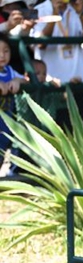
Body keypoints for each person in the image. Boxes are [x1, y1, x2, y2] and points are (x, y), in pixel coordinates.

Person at [33, 0, 83, 84]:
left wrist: (80, 13)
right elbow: (41, 44)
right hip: (52, 81)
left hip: (79, 77)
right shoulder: (40, 10)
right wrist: (54, 14)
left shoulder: (76, 8)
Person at [0, 32, 26, 177]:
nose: (2, 55)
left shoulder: (10, 71)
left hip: (5, 128)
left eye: (6, 51)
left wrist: (18, 81)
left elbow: (26, 80)